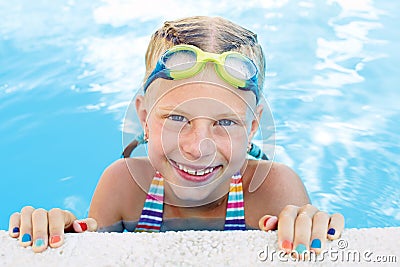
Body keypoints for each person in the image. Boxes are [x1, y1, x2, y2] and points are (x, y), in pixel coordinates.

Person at [8, 16, 344, 254]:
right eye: (177, 118)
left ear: (253, 126)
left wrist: (308, 226)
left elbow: (304, 250)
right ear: (144, 117)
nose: (198, 147)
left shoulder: (274, 191)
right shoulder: (123, 187)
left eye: (225, 123)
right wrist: (56, 230)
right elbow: (89, 255)